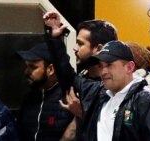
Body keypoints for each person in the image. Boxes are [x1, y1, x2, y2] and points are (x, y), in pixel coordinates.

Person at [43, 11, 119, 140]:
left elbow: (121, 129)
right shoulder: (84, 79)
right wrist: (54, 38)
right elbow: (65, 73)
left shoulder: (119, 85)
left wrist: (82, 114)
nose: (75, 48)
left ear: (98, 49)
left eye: (81, 43)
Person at [16, 43, 74, 141]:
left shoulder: (70, 98)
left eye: (33, 67)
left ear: (51, 69)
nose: (26, 72)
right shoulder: (29, 98)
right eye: (26, 66)